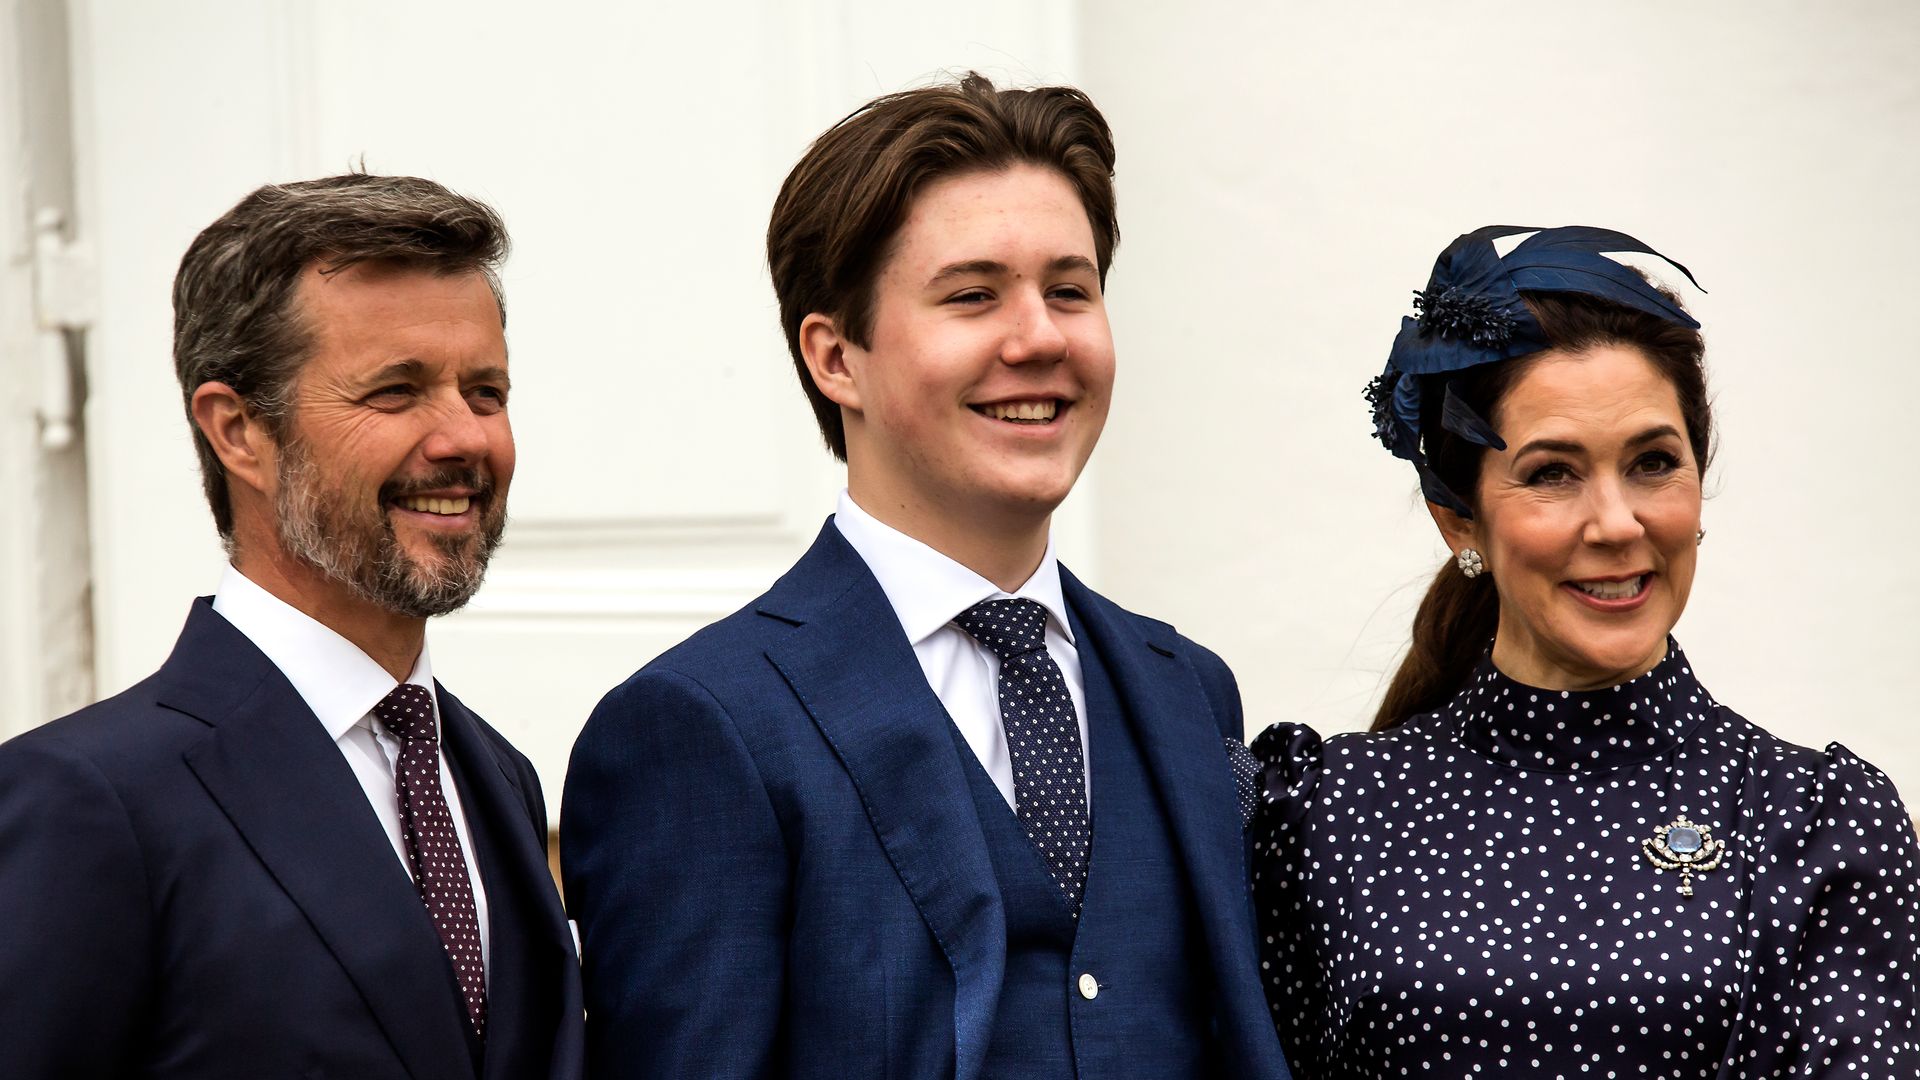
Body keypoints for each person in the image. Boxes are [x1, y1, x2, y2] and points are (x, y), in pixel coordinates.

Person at [562, 74, 1292, 1080]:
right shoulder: (698, 725)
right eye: (972, 295)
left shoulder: (1186, 687)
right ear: (836, 359)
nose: (1039, 337)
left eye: (1070, 290)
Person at [1250, 225, 1920, 1077]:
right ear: (1461, 521)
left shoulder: (1819, 821)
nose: (1615, 523)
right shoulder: (1324, 813)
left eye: (1652, 462)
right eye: (1552, 473)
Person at [0, 174, 584, 1080]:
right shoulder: (88, 801)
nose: (464, 438)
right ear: (238, 431)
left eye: (485, 391)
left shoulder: (496, 775)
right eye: (396, 392)